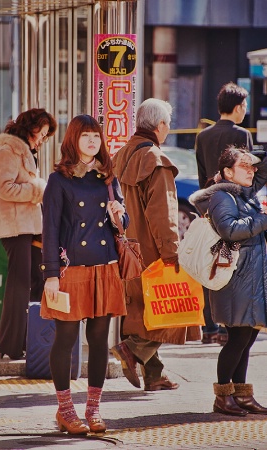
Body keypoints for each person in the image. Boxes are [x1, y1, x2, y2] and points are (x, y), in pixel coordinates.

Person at [40, 114, 128, 435]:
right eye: (86, 136)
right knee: (65, 338)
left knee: (99, 340)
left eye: (96, 136)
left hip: (104, 267)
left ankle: (93, 410)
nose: (92, 142)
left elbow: (122, 225)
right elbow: (49, 229)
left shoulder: (107, 177)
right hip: (70, 271)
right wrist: (51, 274)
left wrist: (120, 215)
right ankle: (65, 409)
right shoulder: (59, 180)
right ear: (73, 140)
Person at [111, 98, 200, 392]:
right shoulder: (156, 160)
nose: (168, 129)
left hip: (125, 250)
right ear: (160, 126)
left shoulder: (121, 155)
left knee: (141, 311)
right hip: (150, 250)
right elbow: (164, 215)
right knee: (171, 310)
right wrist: (172, 253)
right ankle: (131, 349)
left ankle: (154, 375)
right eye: (168, 124)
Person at [190, 146, 267, 416]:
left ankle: (242, 394)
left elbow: (263, 169)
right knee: (237, 339)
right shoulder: (223, 197)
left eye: (251, 166)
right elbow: (230, 231)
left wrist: (255, 156)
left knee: (247, 338)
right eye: (244, 166)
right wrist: (263, 218)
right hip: (236, 279)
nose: (251, 170)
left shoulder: (243, 193)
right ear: (227, 172)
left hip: (250, 278)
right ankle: (223, 396)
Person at [0, 108, 57, 360]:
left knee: (36, 282)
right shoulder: (8, 151)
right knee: (19, 285)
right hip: (15, 228)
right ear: (30, 127)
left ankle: (31, 341)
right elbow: (5, 189)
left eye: (46, 134)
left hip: (30, 227)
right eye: (42, 132)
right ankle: (11, 346)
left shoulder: (26, 152)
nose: (42, 138)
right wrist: (37, 189)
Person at [195, 81, 254, 345]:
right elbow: (247, 177)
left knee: (210, 265)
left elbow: (200, 178)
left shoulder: (202, 136)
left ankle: (208, 327)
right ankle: (228, 327)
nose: (246, 109)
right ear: (238, 107)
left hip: (210, 210)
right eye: (245, 105)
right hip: (235, 211)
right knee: (232, 265)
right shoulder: (242, 135)